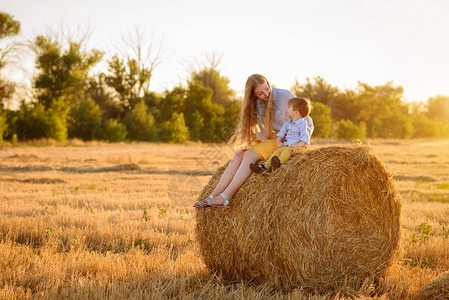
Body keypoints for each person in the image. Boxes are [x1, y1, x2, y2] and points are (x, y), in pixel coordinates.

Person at [193, 74, 314, 208]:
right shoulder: (256, 105)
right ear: (253, 95)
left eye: (267, 89)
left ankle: (226, 197)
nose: (266, 94)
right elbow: (264, 133)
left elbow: (306, 119)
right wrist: (277, 136)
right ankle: (212, 196)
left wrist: (300, 140)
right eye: (261, 93)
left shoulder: (285, 95)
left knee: (249, 155)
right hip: (277, 139)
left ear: (269, 84)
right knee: (240, 153)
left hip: (292, 141)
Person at [250, 97, 312, 173]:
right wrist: (278, 142)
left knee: (286, 152)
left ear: (296, 113)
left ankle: (277, 164)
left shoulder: (303, 124)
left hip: (298, 146)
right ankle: (265, 166)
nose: (287, 108)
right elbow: (281, 133)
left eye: (289, 107)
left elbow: (305, 139)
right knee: (277, 152)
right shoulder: (288, 122)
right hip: (288, 144)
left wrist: (297, 146)